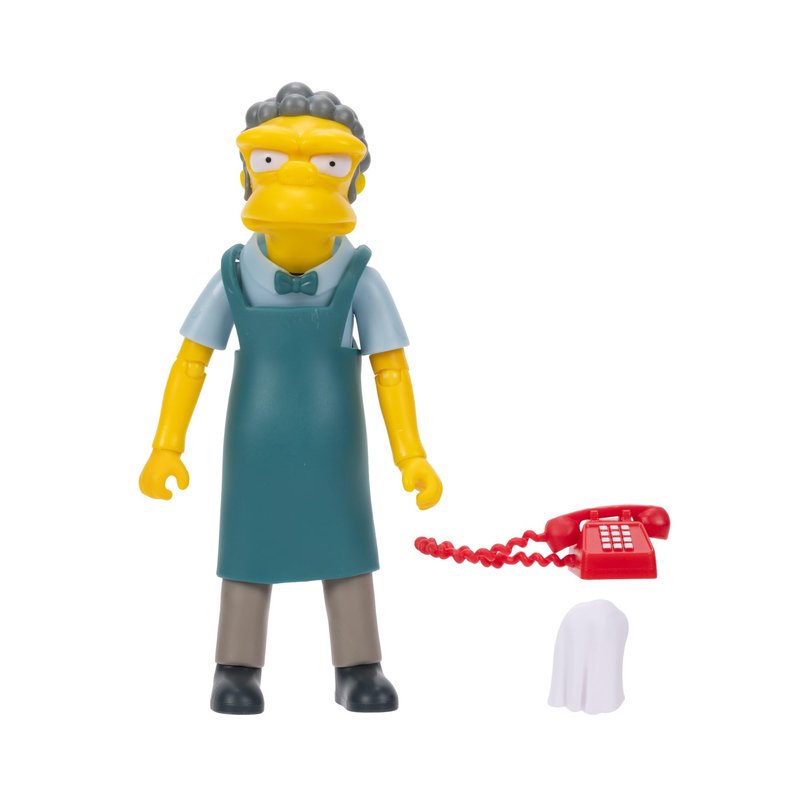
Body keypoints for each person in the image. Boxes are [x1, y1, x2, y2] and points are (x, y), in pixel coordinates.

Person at [139, 82, 442, 714]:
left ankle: (359, 666)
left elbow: (391, 370)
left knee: (348, 545)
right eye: (272, 159)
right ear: (247, 173)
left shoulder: (362, 280)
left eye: (328, 162)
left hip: (336, 442)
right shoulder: (233, 275)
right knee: (248, 547)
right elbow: (191, 361)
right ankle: (236, 668)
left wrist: (410, 455)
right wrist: (166, 446)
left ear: (353, 178)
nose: (299, 179)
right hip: (255, 439)